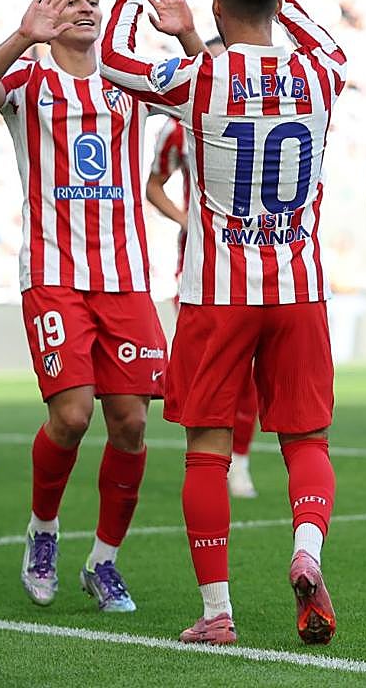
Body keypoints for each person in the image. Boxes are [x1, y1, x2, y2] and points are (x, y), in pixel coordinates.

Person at [102, 0, 345, 646]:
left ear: (212, 5)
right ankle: (306, 547)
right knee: (308, 439)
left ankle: (217, 613)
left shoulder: (200, 78)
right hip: (298, 286)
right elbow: (308, 33)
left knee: (207, 446)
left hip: (218, 292)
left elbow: (113, 61)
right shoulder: (323, 71)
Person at [0, 0, 202, 613]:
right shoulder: (28, 82)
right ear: (44, 11)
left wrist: (188, 35)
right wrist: (21, 36)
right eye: (70, 0)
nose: (86, 9)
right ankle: (42, 531)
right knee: (72, 414)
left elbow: (209, 84)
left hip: (125, 281)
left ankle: (104, 561)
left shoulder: (127, 82)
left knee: (131, 425)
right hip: (55, 274)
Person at [145, 34, 260, 500]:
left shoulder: (266, 109)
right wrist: (184, 219)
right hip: (201, 263)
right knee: (210, 367)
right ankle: (213, 458)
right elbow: (154, 184)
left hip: (258, 254)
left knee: (249, 370)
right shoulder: (180, 124)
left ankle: (242, 461)